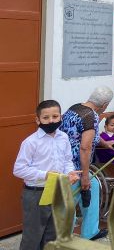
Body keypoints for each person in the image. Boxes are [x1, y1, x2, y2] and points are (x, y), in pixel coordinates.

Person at [13, 100, 81, 250]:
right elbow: (18, 169)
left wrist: (69, 173)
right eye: (46, 118)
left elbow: (67, 160)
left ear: (61, 117)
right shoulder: (31, 142)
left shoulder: (63, 137)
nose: (51, 120)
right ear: (37, 120)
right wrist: (45, 175)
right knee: (33, 236)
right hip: (36, 193)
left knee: (53, 233)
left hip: (57, 191)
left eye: (55, 116)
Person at [60, 86, 114, 241]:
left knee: (94, 187)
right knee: (71, 202)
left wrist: (105, 143)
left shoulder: (75, 108)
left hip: (66, 162)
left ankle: (90, 231)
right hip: (75, 168)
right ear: (104, 105)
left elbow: (91, 135)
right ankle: (64, 237)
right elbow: (85, 146)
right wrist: (84, 175)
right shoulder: (91, 117)